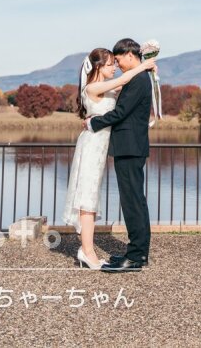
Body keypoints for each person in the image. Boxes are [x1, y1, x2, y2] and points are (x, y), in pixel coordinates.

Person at [63, 46, 156, 269]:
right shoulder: (94, 87)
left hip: (105, 146)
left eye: (116, 62)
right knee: (88, 197)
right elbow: (123, 81)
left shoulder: (111, 87)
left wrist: (146, 65)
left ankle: (93, 251)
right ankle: (87, 251)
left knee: (94, 196)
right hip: (93, 145)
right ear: (97, 67)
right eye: (109, 64)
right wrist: (143, 65)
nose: (114, 67)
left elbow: (126, 89)